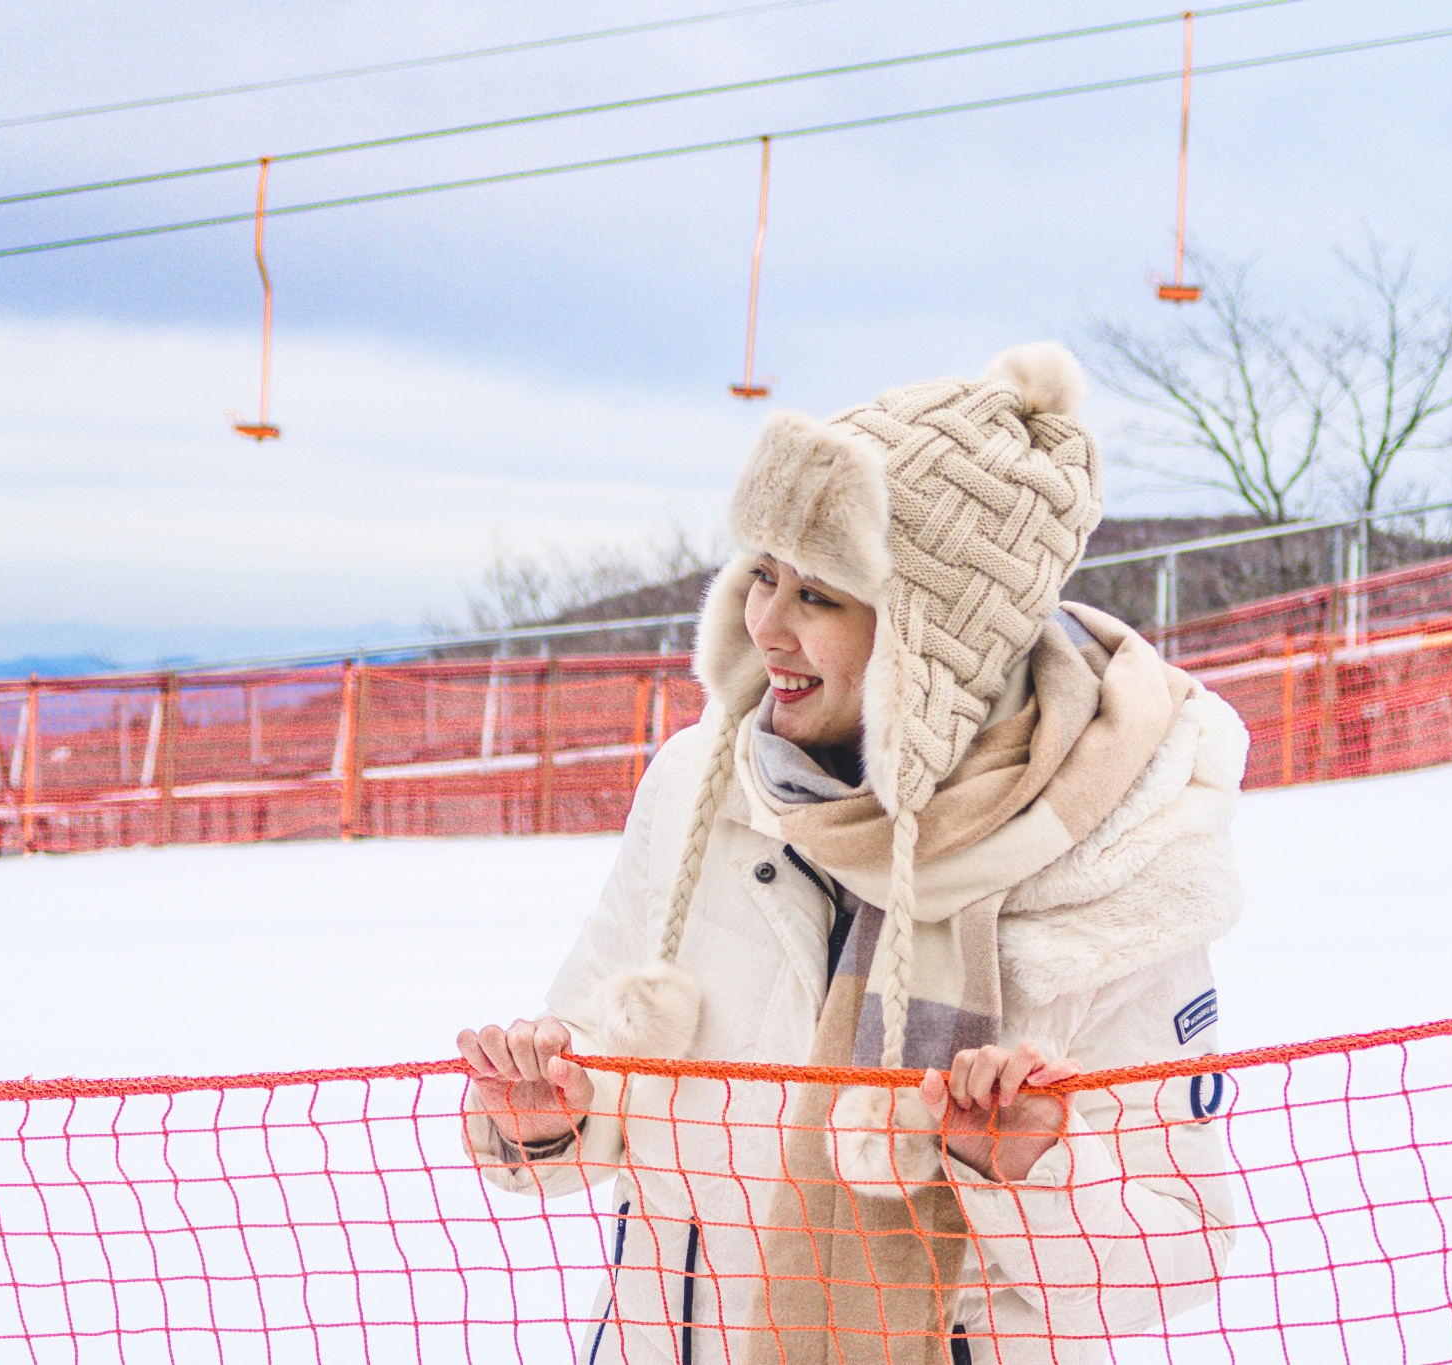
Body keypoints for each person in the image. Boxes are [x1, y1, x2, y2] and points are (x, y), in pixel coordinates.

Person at [457, 343, 1249, 1365]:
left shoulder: (1118, 851)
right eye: (760, 577)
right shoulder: (699, 784)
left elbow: (1175, 1255)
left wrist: (1028, 1168)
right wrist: (546, 1114)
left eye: (819, 598)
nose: (764, 628)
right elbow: (606, 1076)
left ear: (933, 641)